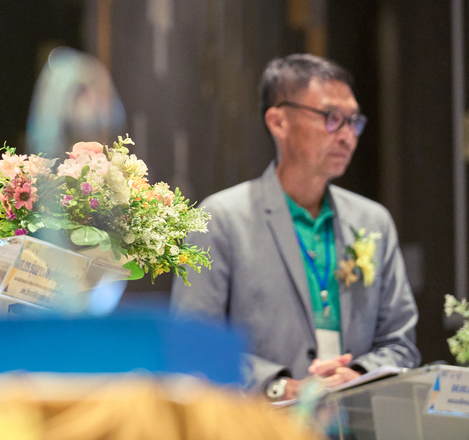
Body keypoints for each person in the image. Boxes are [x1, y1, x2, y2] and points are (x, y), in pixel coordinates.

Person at [171, 54, 419, 401]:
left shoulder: (373, 221)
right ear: (279, 122)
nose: (347, 136)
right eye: (332, 118)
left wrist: (359, 376)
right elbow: (192, 343)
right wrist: (281, 387)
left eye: (353, 121)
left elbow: (400, 344)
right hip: (262, 421)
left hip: (355, 420)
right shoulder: (221, 218)